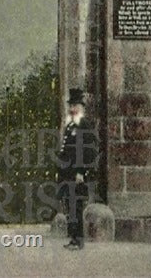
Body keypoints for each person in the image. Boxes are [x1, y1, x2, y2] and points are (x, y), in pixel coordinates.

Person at [57, 87, 97, 250]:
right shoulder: (70, 125)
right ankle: (73, 237)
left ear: (82, 108)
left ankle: (79, 239)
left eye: (75, 106)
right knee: (70, 205)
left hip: (77, 173)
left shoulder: (84, 125)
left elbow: (88, 150)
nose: (72, 109)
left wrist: (81, 171)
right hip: (68, 172)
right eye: (71, 106)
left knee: (77, 206)